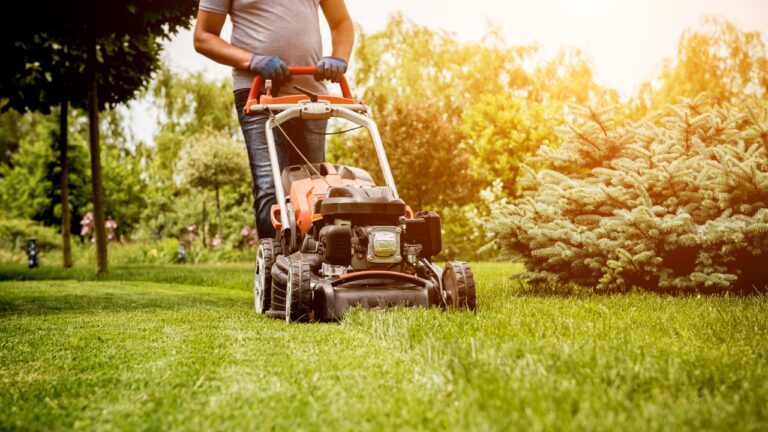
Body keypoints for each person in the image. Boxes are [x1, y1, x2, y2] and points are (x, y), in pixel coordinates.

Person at [193, 0, 354, 239]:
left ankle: (312, 266)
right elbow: (203, 37)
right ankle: (274, 268)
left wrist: (339, 58)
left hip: (311, 95)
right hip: (258, 95)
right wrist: (251, 60)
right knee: (271, 187)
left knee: (313, 189)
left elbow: (341, 23)